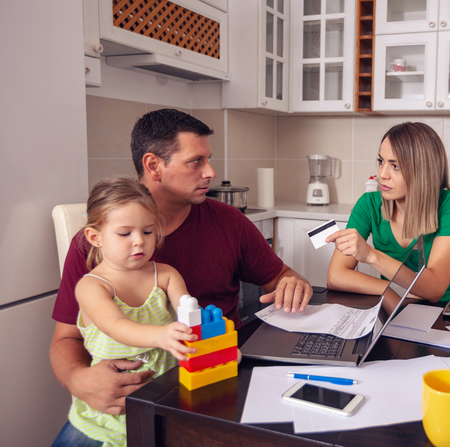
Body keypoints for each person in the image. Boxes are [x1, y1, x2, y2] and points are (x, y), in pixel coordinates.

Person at [50, 109, 312, 443]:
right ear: (153, 165)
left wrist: (292, 283)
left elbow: (282, 277)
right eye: (196, 161)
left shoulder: (229, 222)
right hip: (123, 400)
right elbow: (66, 338)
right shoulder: (93, 250)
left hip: (214, 381)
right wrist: (77, 379)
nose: (211, 172)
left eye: (209, 159)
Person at [66, 177, 200, 446]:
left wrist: (216, 347)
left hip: (165, 402)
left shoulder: (165, 275)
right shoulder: (91, 286)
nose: (139, 241)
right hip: (112, 413)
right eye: (125, 233)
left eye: (148, 232)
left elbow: (191, 314)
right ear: (95, 237)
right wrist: (161, 336)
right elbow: (115, 325)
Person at [326, 121, 450, 303]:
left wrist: (370, 255)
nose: (382, 174)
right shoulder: (368, 204)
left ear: (423, 171)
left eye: (396, 166)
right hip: (393, 305)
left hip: (442, 311)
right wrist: (389, 290)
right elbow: (335, 276)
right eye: (381, 161)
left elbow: (434, 289)